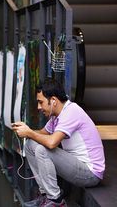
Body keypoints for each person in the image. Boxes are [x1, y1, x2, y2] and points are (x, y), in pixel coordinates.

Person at [12, 78, 105, 207]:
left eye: (41, 102)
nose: (39, 107)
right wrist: (25, 129)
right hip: (75, 165)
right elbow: (42, 133)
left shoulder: (71, 112)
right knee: (30, 145)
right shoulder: (57, 115)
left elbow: (51, 143)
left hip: (90, 173)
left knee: (42, 149)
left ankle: (55, 200)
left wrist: (29, 133)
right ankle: (45, 195)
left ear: (53, 101)